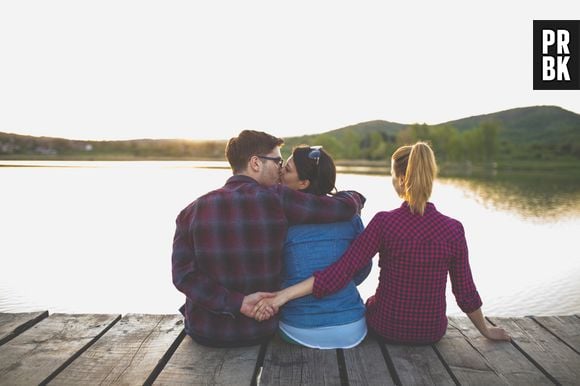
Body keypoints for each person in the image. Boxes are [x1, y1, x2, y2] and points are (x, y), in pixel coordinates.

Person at [253, 142, 510, 344]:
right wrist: (485, 330)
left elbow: (340, 272)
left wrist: (282, 296)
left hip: (387, 329)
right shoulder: (454, 229)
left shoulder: (385, 223)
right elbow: (465, 292)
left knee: (371, 304)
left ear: (399, 180)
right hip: (432, 332)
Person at [171, 130, 365, 348]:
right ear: (256, 163)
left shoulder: (190, 212)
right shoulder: (277, 199)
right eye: (277, 162)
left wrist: (239, 303)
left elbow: (182, 276)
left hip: (205, 333)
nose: (280, 170)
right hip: (259, 330)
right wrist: (354, 197)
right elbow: (337, 209)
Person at [277, 145, 372, 349]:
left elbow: (275, 273)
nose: (280, 171)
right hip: (352, 327)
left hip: (299, 327)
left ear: (303, 183)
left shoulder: (280, 218)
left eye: (287, 168)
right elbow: (362, 271)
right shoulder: (350, 215)